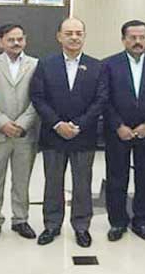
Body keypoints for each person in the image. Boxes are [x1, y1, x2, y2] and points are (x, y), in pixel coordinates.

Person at [29, 17, 106, 248]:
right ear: (59, 36)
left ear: (84, 36)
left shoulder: (97, 66)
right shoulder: (45, 64)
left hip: (84, 135)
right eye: (69, 33)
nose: (74, 37)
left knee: (82, 183)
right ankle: (52, 225)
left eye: (78, 33)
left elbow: (101, 100)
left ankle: (81, 226)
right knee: (53, 182)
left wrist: (78, 125)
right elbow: (38, 97)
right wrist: (57, 124)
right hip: (54, 135)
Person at [102, 20, 145, 242]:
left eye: (142, 37)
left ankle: (141, 221)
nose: (137, 41)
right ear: (123, 39)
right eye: (132, 37)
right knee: (116, 178)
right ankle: (117, 222)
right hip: (118, 132)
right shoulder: (108, 65)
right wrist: (118, 125)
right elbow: (104, 99)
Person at [0, 23, 39, 242]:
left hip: (25, 133)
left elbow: (39, 97)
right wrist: (1, 122)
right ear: (0, 41)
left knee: (22, 180)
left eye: (20, 39)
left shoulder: (36, 65)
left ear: (25, 39)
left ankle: (21, 219)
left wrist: (23, 123)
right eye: (11, 39)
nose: (16, 43)